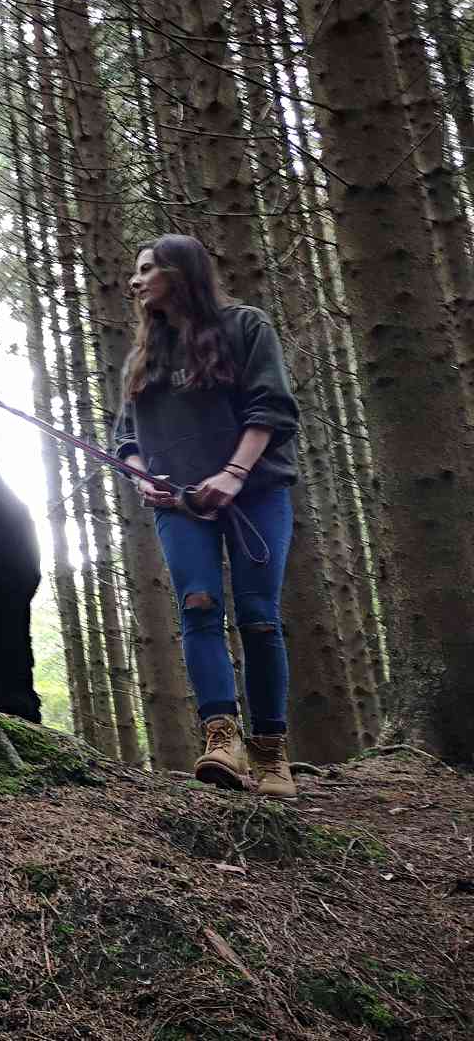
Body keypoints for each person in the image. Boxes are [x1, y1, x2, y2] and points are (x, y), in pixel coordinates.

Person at [114, 234, 301, 798]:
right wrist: (142, 475)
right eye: (135, 271)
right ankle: (222, 739)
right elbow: (126, 439)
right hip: (179, 506)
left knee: (259, 617)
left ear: (181, 271)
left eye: (147, 269)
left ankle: (270, 753)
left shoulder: (246, 326)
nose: (135, 280)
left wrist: (234, 474)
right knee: (198, 607)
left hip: (255, 494)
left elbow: (272, 408)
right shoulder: (142, 357)